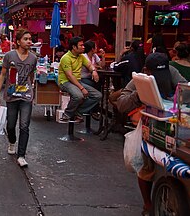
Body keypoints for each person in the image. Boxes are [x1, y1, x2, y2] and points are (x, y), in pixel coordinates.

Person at [116, 53, 187, 215]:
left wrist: (180, 95)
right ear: (147, 70)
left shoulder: (172, 71)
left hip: (174, 123)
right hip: (150, 125)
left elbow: (185, 88)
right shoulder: (139, 79)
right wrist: (140, 93)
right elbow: (121, 104)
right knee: (146, 166)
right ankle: (148, 204)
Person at [0, 28, 37, 168]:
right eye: (26, 39)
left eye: (30, 39)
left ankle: (22, 155)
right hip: (11, 95)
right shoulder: (9, 56)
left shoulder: (33, 58)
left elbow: (31, 75)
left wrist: (32, 89)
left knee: (24, 126)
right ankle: (12, 141)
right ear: (18, 42)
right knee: (10, 125)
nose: (29, 41)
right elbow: (3, 75)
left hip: (26, 96)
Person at [58, 36, 102, 122]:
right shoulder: (66, 58)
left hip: (77, 81)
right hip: (66, 82)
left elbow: (89, 65)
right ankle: (67, 114)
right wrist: (82, 88)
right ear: (74, 47)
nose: (83, 47)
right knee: (78, 96)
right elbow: (70, 76)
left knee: (98, 95)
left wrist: (93, 71)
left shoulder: (81, 56)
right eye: (81, 45)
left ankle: (78, 112)